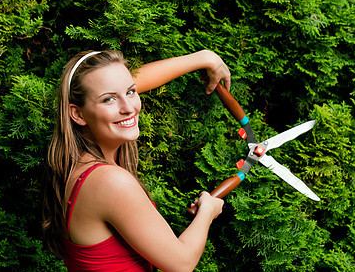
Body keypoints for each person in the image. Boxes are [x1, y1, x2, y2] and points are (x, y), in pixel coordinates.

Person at [43, 49, 230, 271]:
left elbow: (116, 86)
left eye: (131, 92)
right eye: (109, 99)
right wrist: (207, 211)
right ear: (78, 114)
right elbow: (182, 263)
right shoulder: (110, 181)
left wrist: (204, 58)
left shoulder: (76, 166)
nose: (129, 108)